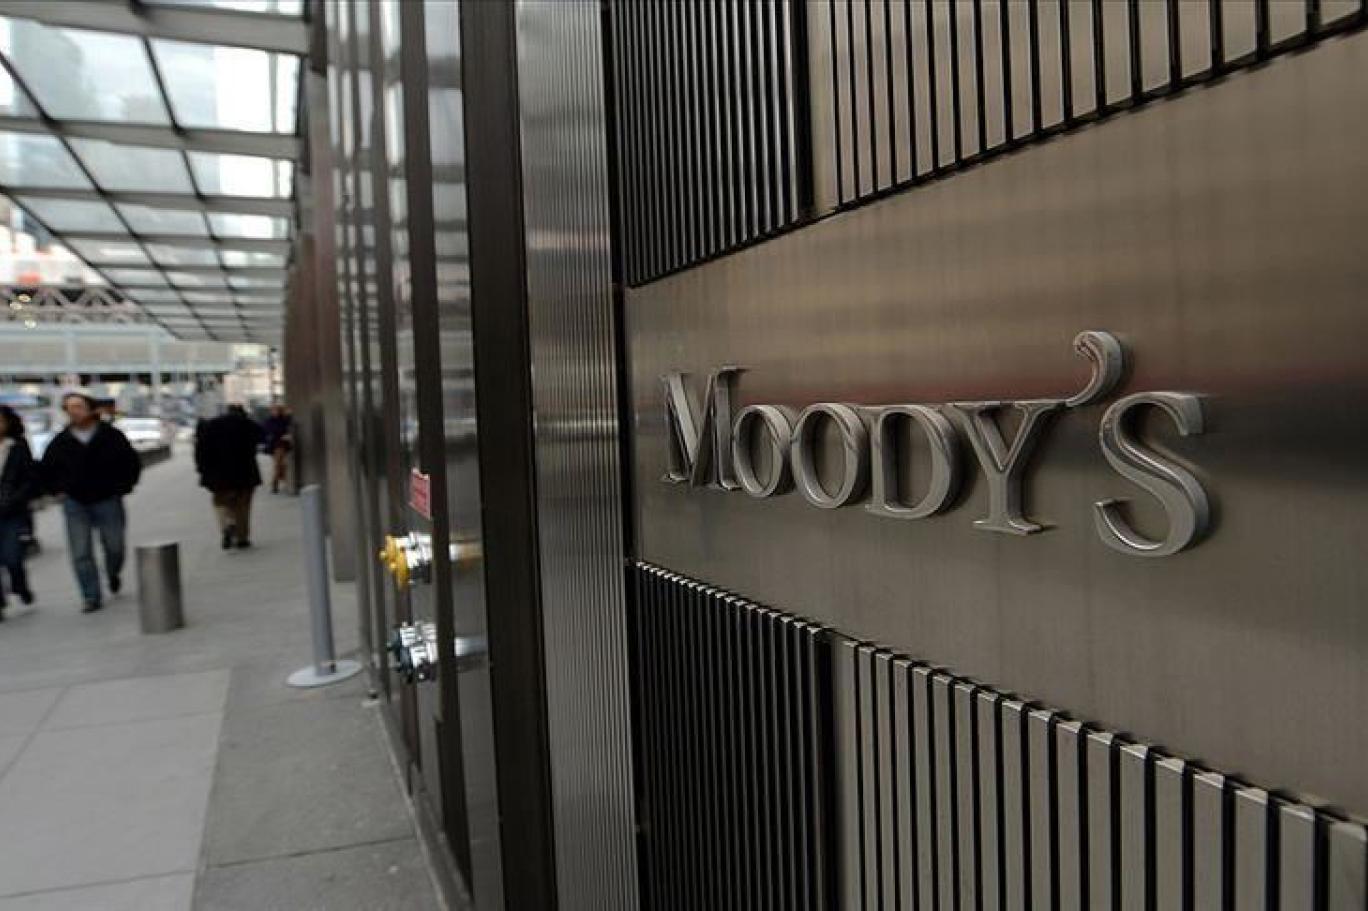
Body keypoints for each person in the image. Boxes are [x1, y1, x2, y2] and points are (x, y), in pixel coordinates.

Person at [40, 393, 141, 613]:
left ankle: (113, 572)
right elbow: (47, 470)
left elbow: (130, 462)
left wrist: (124, 486)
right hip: (75, 502)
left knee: (115, 546)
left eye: (78, 406)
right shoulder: (61, 441)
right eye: (69, 408)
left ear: (91, 409)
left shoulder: (111, 436)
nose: (74, 411)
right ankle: (90, 595)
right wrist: (57, 490)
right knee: (80, 551)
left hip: (108, 498)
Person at [195, 404, 265, 549]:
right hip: (245, 472)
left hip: (218, 474)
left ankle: (227, 524)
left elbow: (200, 450)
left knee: (220, 501)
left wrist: (202, 470)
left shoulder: (211, 425)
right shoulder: (247, 424)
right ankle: (242, 538)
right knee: (243, 505)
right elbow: (262, 438)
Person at [0, 406, 38, 619]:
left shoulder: (18, 446)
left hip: (12, 512)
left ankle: (20, 586)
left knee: (12, 557)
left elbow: (29, 478)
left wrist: (16, 499)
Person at [262, 404, 294, 494]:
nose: (276, 412)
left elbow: (289, 423)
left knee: (281, 465)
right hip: (275, 445)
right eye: (274, 410)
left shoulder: (284, 419)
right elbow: (269, 431)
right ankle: (277, 483)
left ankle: (277, 483)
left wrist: (289, 414)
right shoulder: (269, 421)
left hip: (282, 445)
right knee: (279, 465)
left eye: (277, 410)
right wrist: (281, 435)